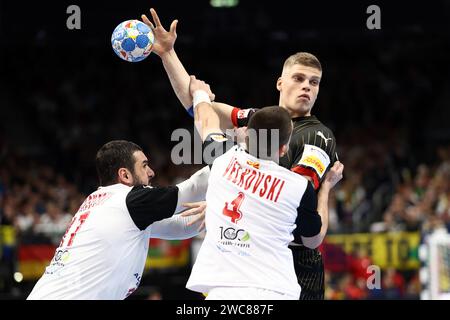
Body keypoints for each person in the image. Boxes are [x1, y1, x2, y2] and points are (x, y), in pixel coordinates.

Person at [142, 8, 341, 299]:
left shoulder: (317, 136)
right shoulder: (261, 119)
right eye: (299, 78)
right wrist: (168, 54)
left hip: (291, 259)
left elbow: (289, 210)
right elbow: (201, 110)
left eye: (314, 82)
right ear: (280, 83)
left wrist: (226, 205)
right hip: (245, 256)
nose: (307, 87)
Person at [182, 76, 343, 299]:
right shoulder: (299, 187)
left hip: (224, 291)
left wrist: (200, 94)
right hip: (277, 291)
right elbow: (313, 241)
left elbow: (206, 121)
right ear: (285, 148)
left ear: (247, 134)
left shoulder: (222, 159)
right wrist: (326, 188)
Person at [27, 140, 210, 299]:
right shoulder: (128, 199)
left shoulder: (110, 205)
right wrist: (233, 158)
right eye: (144, 166)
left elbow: (184, 226)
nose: (152, 172)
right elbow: (194, 188)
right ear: (125, 175)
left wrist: (218, 210)